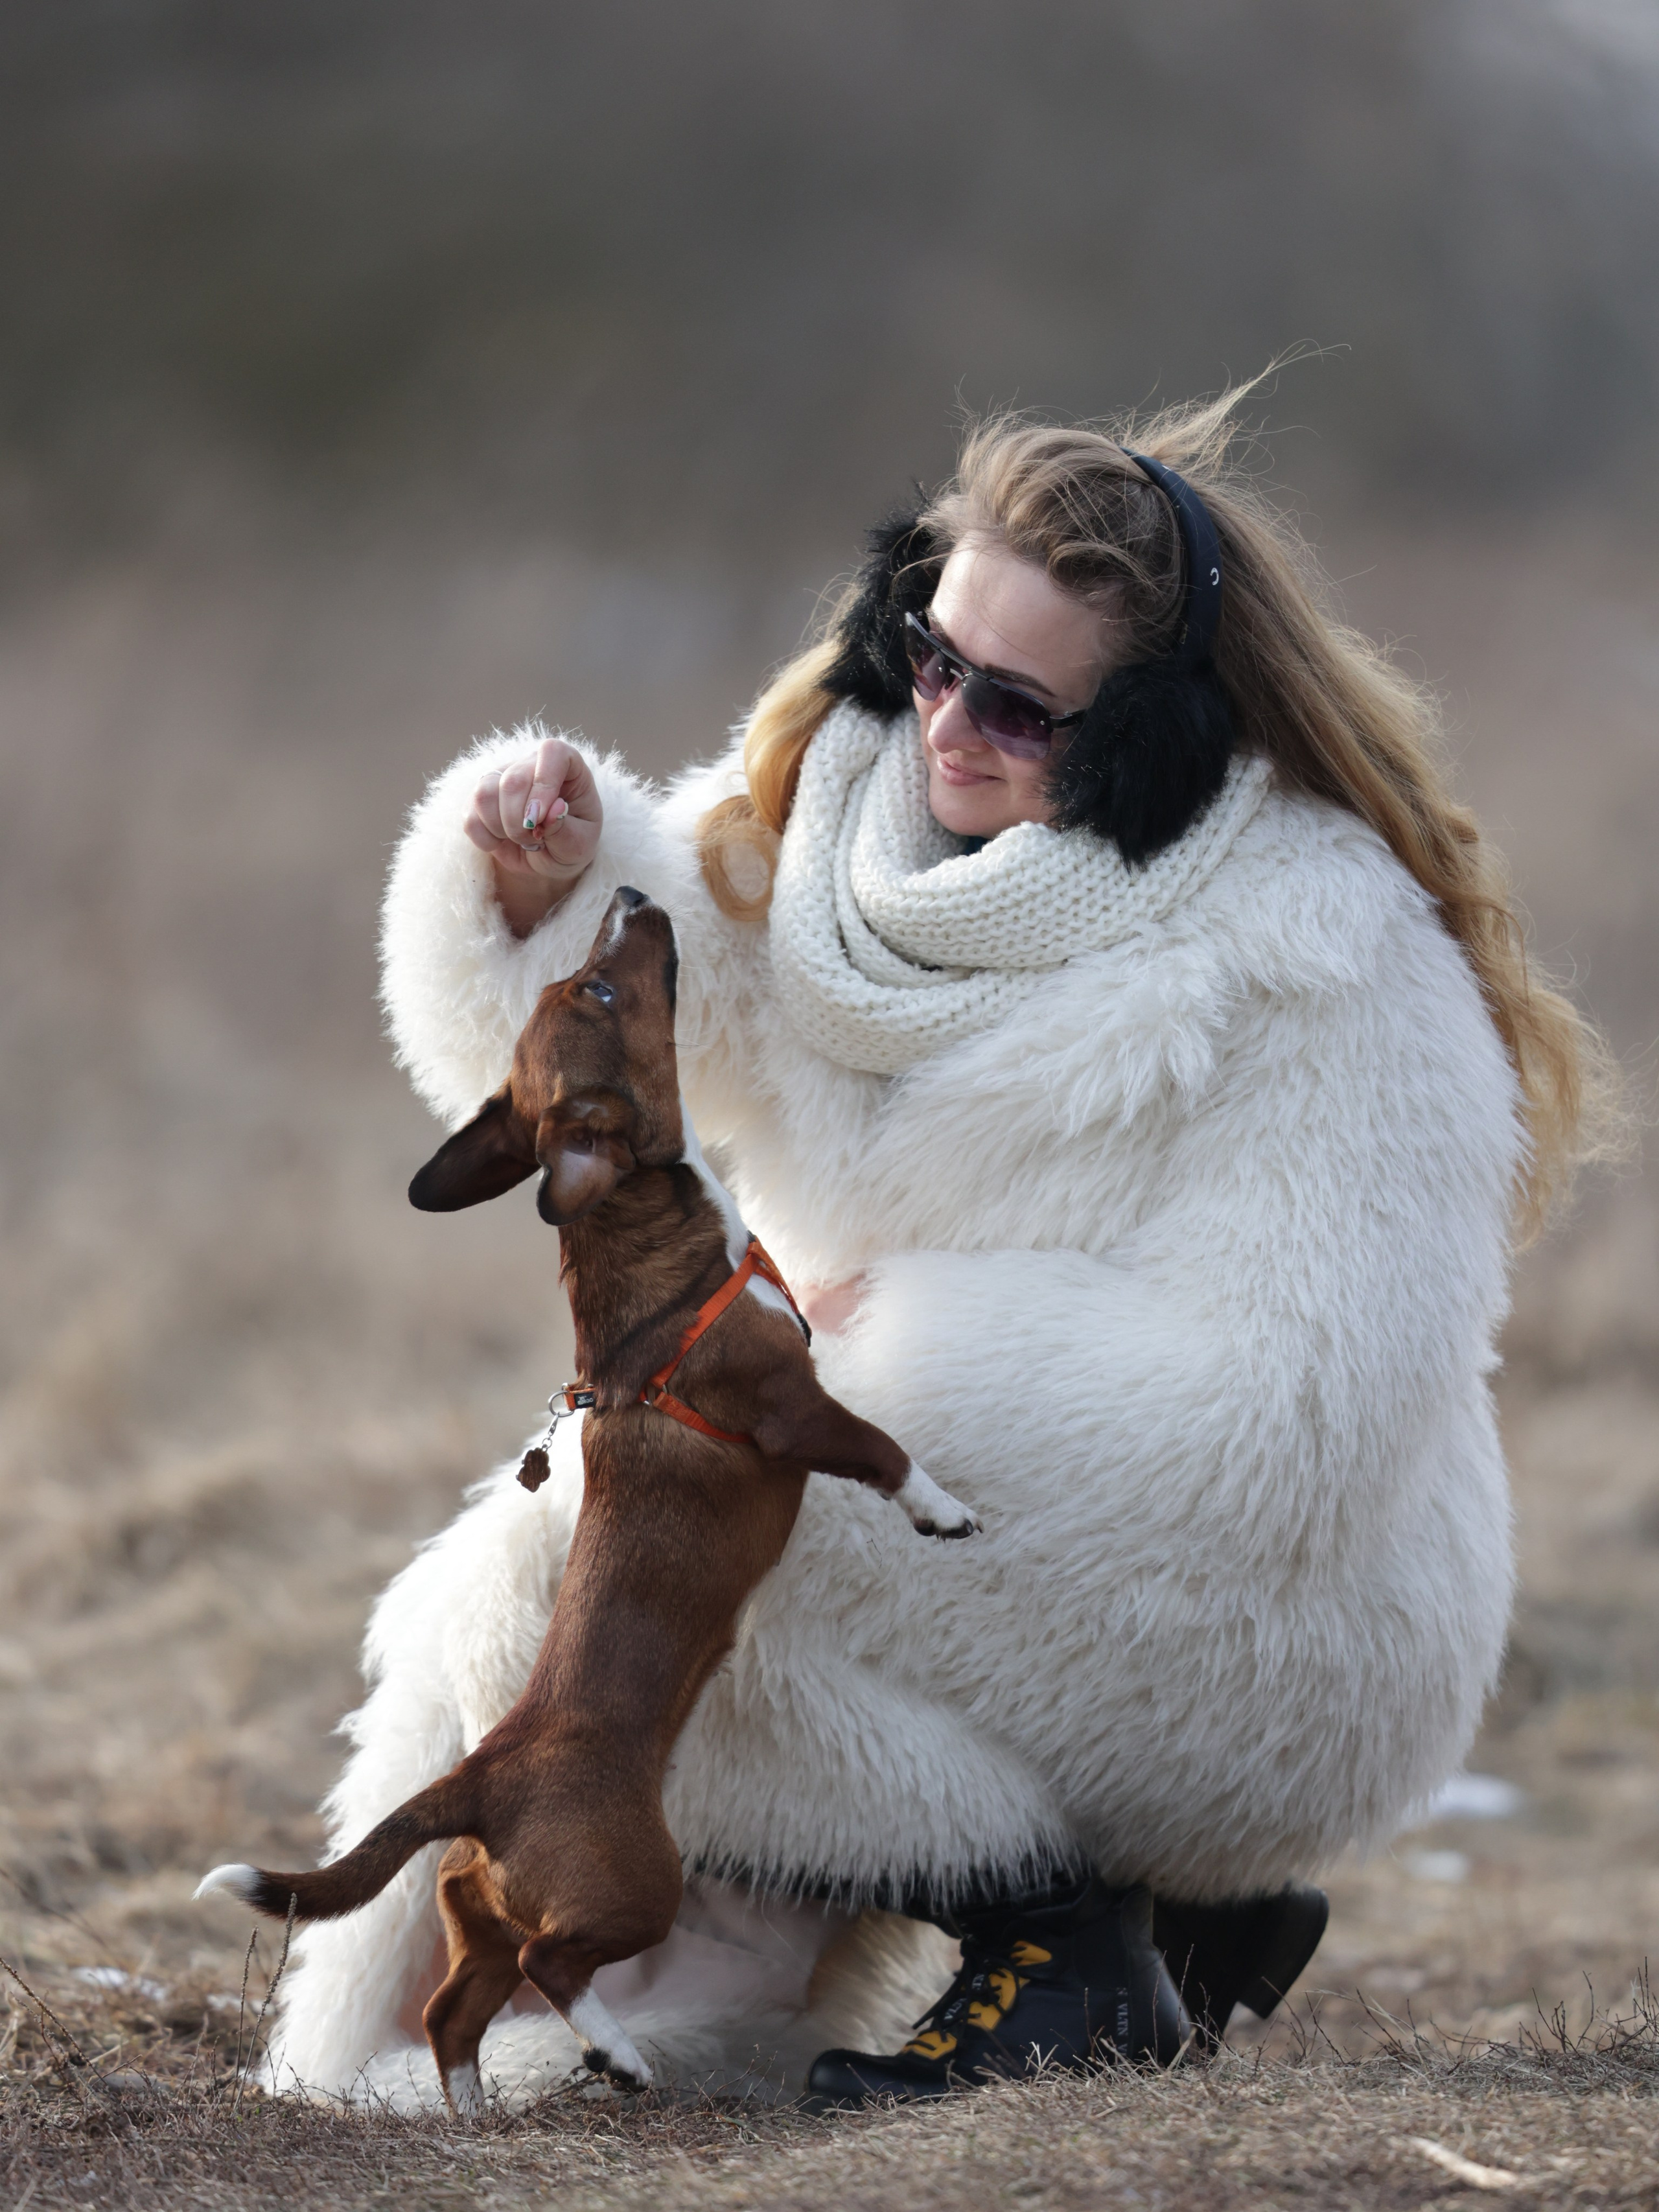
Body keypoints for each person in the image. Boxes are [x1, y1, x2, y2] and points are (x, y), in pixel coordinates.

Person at [265, 396, 1609, 2108]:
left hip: (1281, 1621)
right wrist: (542, 876)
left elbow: (1304, 1422)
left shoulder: (1321, 955)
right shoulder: (858, 841)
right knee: (567, 1553)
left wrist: (897, 1345)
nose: (952, 726)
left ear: (1160, 732)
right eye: (936, 656)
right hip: (982, 1518)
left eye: (1025, 707)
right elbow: (614, 1057)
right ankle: (704, 1990)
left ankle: (1068, 1936)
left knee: (583, 1563)